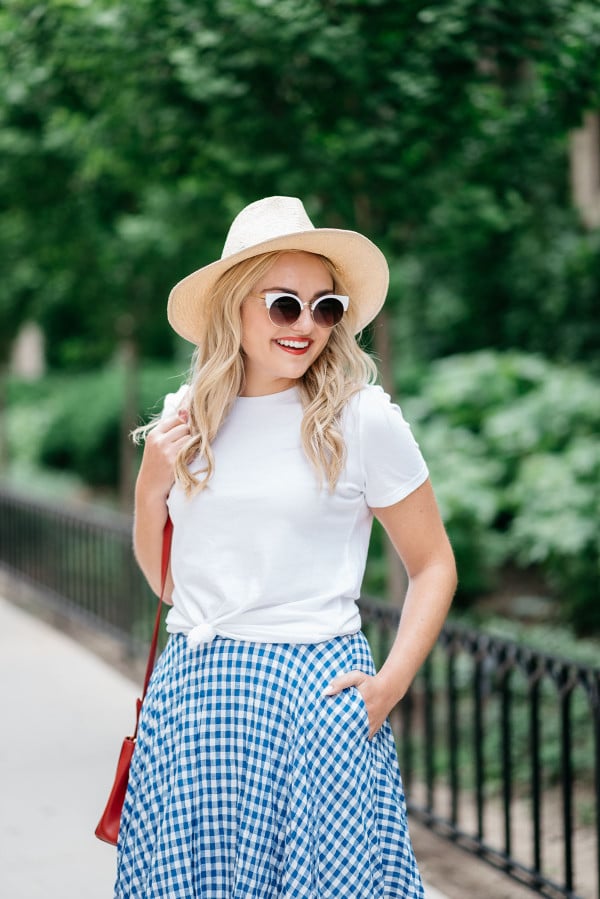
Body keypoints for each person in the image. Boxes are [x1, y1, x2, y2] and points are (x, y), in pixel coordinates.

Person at [115, 196, 457, 898]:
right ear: (235, 306)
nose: (307, 325)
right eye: (284, 305)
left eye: (325, 307)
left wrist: (386, 689)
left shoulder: (362, 420)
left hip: (315, 701)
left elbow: (433, 565)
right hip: (198, 700)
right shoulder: (188, 415)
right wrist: (152, 487)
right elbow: (169, 585)